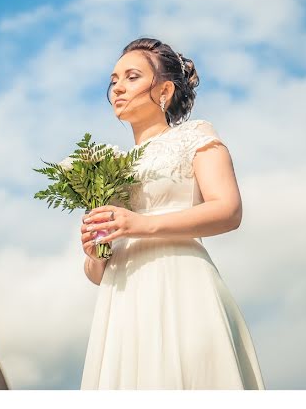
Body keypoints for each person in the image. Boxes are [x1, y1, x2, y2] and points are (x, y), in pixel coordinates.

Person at [79, 37, 267, 390]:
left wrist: (141, 224)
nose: (117, 87)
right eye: (113, 79)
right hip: (122, 299)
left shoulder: (195, 136)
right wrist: (94, 254)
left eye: (131, 76)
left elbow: (228, 209)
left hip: (179, 282)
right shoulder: (107, 166)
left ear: (164, 89)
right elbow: (95, 273)